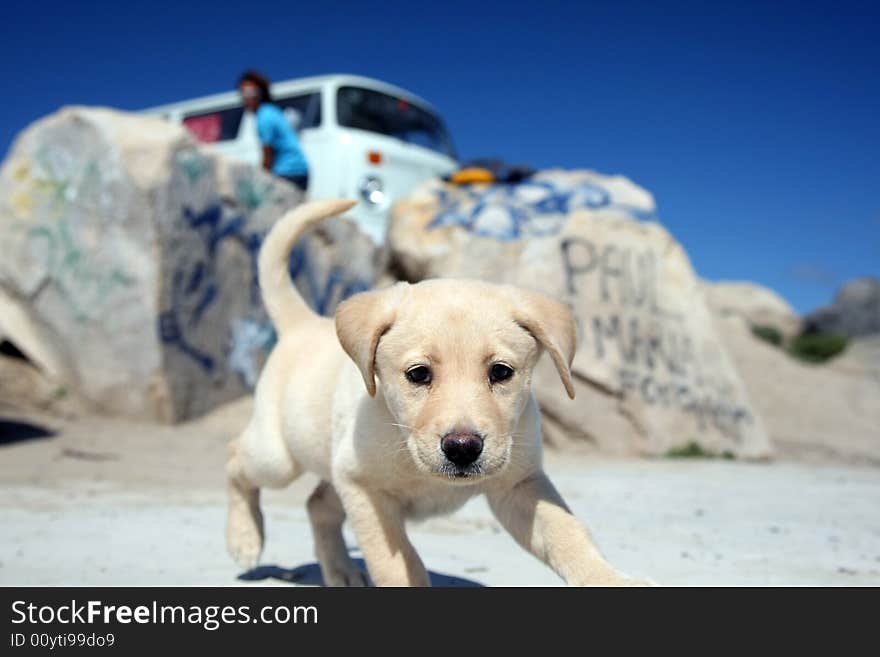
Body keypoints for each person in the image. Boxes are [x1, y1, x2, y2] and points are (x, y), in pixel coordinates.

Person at [237, 70, 309, 192]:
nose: (246, 98)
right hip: (299, 171)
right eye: (243, 93)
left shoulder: (264, 116)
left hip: (289, 172)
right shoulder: (271, 111)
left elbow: (268, 154)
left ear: (260, 93)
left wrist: (260, 180)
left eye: (250, 92)